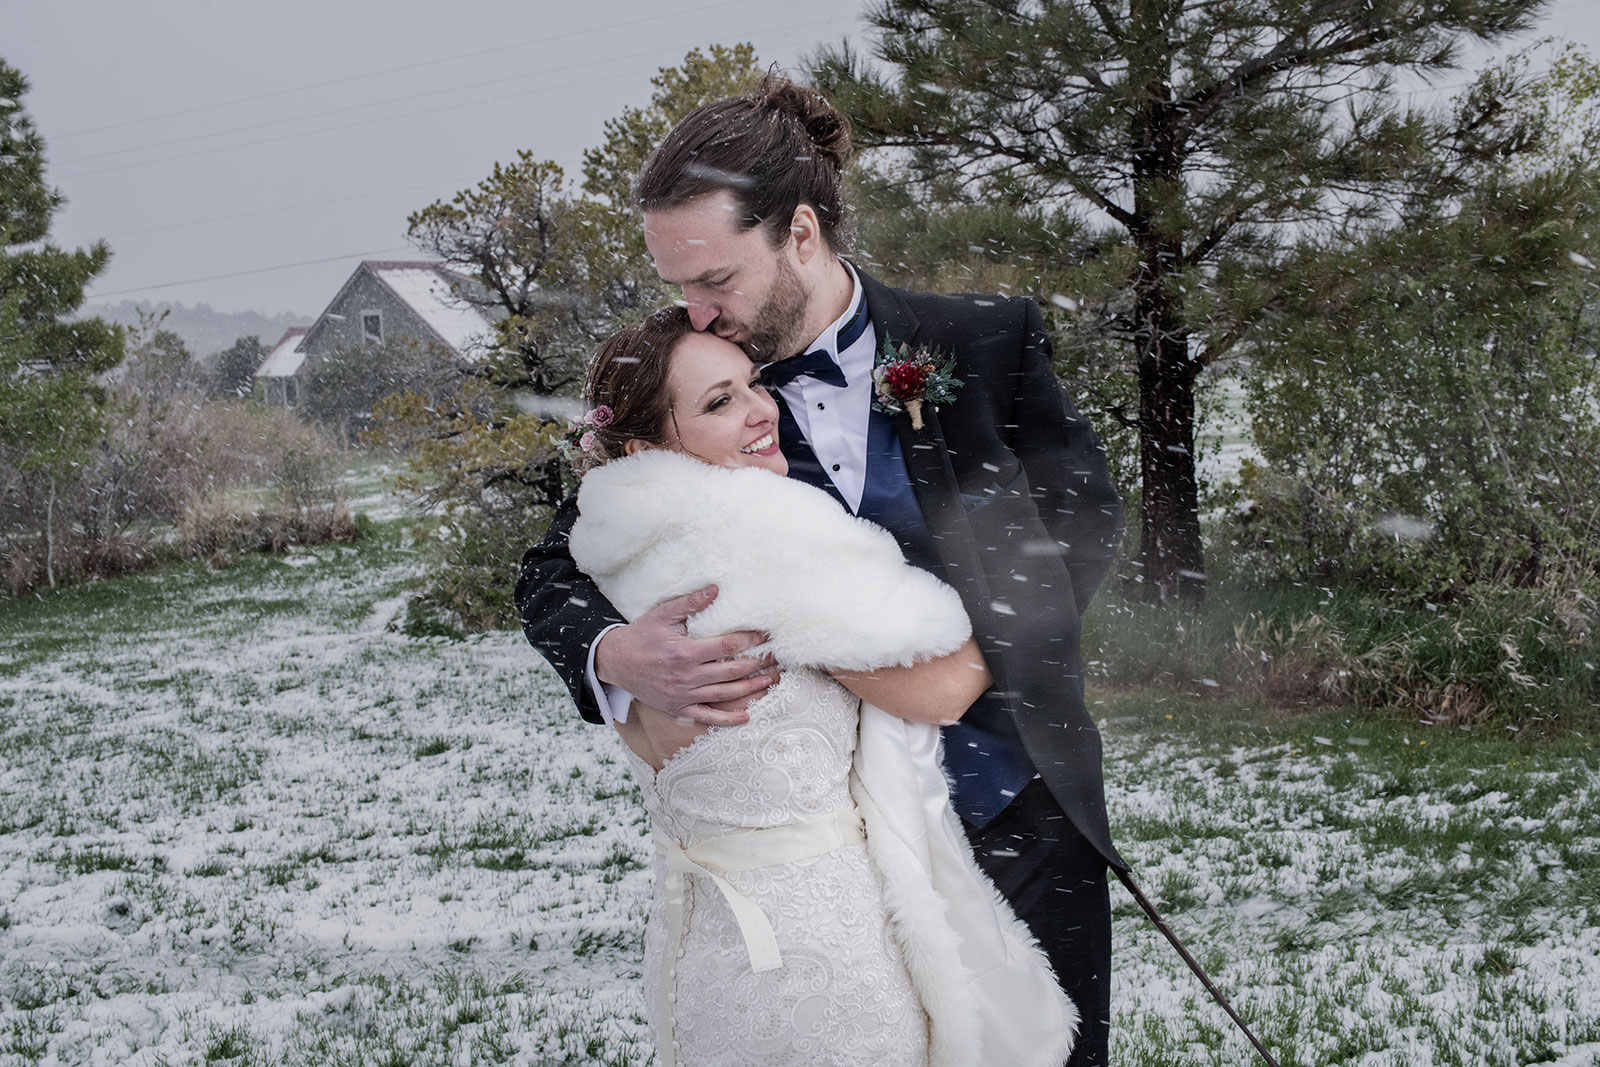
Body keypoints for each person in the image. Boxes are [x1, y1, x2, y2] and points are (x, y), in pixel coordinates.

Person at [516, 75, 1124, 1065]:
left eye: (714, 279)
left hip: (1015, 801)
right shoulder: (698, 394)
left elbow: (1082, 511)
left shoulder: (980, 337)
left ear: (800, 233)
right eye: (677, 283)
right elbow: (552, 564)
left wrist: (986, 649)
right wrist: (614, 651)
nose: (694, 309)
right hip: (838, 863)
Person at [563, 307, 1075, 1067]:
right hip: (826, 956)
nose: (761, 410)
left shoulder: (616, 555)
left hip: (705, 952)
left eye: (751, 385)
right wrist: (1033, 602)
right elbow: (940, 686)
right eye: (718, 402)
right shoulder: (757, 543)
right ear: (645, 449)